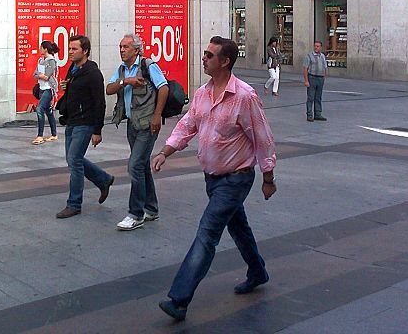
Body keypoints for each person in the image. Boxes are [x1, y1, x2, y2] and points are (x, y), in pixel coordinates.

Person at [153, 36, 277, 322]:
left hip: (236, 178)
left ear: (225, 61)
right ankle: (257, 271)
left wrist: (268, 177)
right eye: (205, 53)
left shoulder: (244, 96)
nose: (204, 58)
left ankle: (179, 300)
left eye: (210, 55)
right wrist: (165, 152)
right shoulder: (203, 94)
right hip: (212, 179)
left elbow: (263, 138)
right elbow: (188, 125)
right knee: (239, 227)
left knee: (207, 233)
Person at [107, 34, 169, 231]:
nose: (122, 50)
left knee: (134, 166)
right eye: (120, 46)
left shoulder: (148, 65)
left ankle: (136, 213)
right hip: (132, 124)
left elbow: (164, 87)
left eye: (126, 47)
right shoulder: (122, 70)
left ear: (136, 49)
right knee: (141, 166)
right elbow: (109, 89)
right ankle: (151, 208)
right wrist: (127, 81)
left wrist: (157, 115)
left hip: (147, 124)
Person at [54, 35, 114, 218]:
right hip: (72, 121)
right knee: (74, 159)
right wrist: (66, 86)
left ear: (85, 51)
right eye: (69, 49)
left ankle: (74, 204)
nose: (70, 52)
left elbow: (100, 102)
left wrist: (97, 130)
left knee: (74, 160)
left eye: (74, 49)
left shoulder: (93, 73)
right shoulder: (73, 69)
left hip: (85, 123)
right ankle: (103, 179)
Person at [32, 40, 59, 145]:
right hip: (41, 88)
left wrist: (40, 74)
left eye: (41, 47)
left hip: (49, 88)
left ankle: (40, 136)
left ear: (45, 49)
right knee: (48, 110)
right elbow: (35, 74)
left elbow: (47, 76)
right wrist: (40, 75)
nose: (40, 49)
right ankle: (54, 134)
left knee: (39, 109)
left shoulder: (51, 61)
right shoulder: (40, 60)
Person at [303, 41, 328, 122]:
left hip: (320, 79)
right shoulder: (309, 56)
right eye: (315, 46)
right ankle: (309, 114)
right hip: (312, 77)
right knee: (310, 97)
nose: (316, 47)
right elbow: (305, 69)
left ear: (321, 47)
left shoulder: (323, 56)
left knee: (318, 97)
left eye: (318, 46)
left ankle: (318, 114)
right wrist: (306, 81)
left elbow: (325, 67)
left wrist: (324, 77)